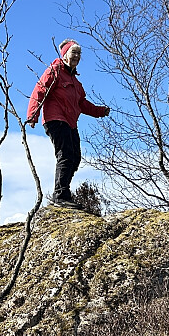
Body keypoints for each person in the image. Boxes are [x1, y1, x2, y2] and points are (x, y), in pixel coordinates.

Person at [26, 39, 110, 209]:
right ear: (64, 55)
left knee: (75, 157)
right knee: (65, 154)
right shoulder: (54, 70)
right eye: (74, 52)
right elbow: (39, 90)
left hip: (70, 123)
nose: (77, 56)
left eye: (79, 53)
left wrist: (100, 111)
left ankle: (63, 192)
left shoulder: (76, 83)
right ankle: (60, 196)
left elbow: (82, 104)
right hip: (55, 119)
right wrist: (33, 114)